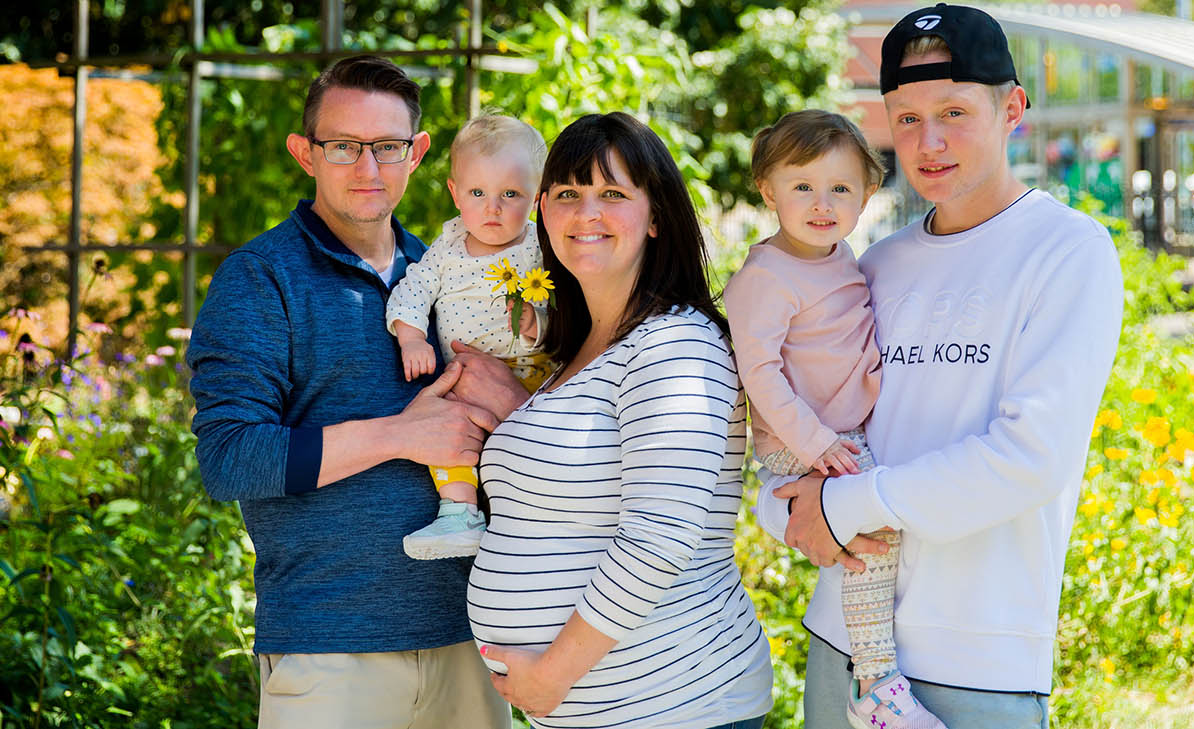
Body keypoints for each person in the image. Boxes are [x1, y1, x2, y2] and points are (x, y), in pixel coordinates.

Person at [754, 5, 1124, 729]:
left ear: (1012, 107)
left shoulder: (1069, 252)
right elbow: (803, 417)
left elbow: (1030, 458)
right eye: (907, 116)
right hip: (842, 643)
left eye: (953, 111)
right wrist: (786, 513)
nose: (929, 142)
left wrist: (845, 506)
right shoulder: (875, 265)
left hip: (980, 663)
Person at [186, 55, 521, 729]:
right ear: (306, 153)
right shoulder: (260, 278)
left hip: (469, 640)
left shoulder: (451, 273)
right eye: (343, 146)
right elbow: (229, 458)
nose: (367, 169)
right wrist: (402, 433)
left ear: (418, 153)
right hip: (329, 650)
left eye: (388, 147)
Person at [468, 112, 774, 729]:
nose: (587, 214)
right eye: (567, 195)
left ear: (655, 216)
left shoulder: (675, 345)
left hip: (676, 704)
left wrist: (550, 676)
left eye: (612, 194)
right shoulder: (573, 353)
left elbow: (658, 539)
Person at [724, 110, 945, 729]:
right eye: (802, 187)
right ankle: (875, 683)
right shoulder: (765, 277)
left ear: (867, 195)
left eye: (840, 189)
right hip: (809, 439)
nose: (822, 204)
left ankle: (876, 675)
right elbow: (759, 375)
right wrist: (817, 442)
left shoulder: (839, 252)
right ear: (768, 191)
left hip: (838, 432)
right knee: (873, 534)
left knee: (873, 533)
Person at [386, 113, 553, 560]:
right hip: (460, 375)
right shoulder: (447, 247)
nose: (492, 208)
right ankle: (459, 514)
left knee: (523, 451)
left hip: (531, 373)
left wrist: (537, 323)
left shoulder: (540, 246)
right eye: (478, 193)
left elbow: (569, 308)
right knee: (447, 429)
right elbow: (414, 289)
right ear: (456, 193)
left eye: (510, 194)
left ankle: (530, 520)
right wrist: (411, 339)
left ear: (535, 199)